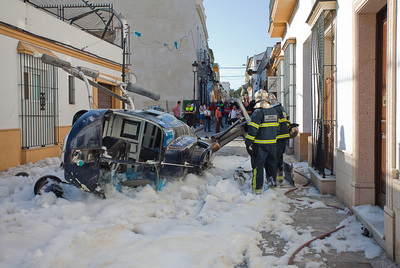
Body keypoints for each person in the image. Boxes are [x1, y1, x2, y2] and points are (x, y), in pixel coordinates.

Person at [245, 90, 279, 194]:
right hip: (272, 145)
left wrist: (248, 142)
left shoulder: (258, 112)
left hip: (260, 146)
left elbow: (253, 129)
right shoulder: (274, 112)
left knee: (258, 167)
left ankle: (257, 189)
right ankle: (272, 187)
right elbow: (277, 129)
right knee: (272, 166)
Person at [267, 93, 290, 184]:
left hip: (278, 137)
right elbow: (287, 122)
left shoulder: (274, 110)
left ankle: (274, 178)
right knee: (280, 157)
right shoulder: (281, 109)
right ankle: (280, 176)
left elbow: (275, 125)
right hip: (284, 137)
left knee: (274, 158)